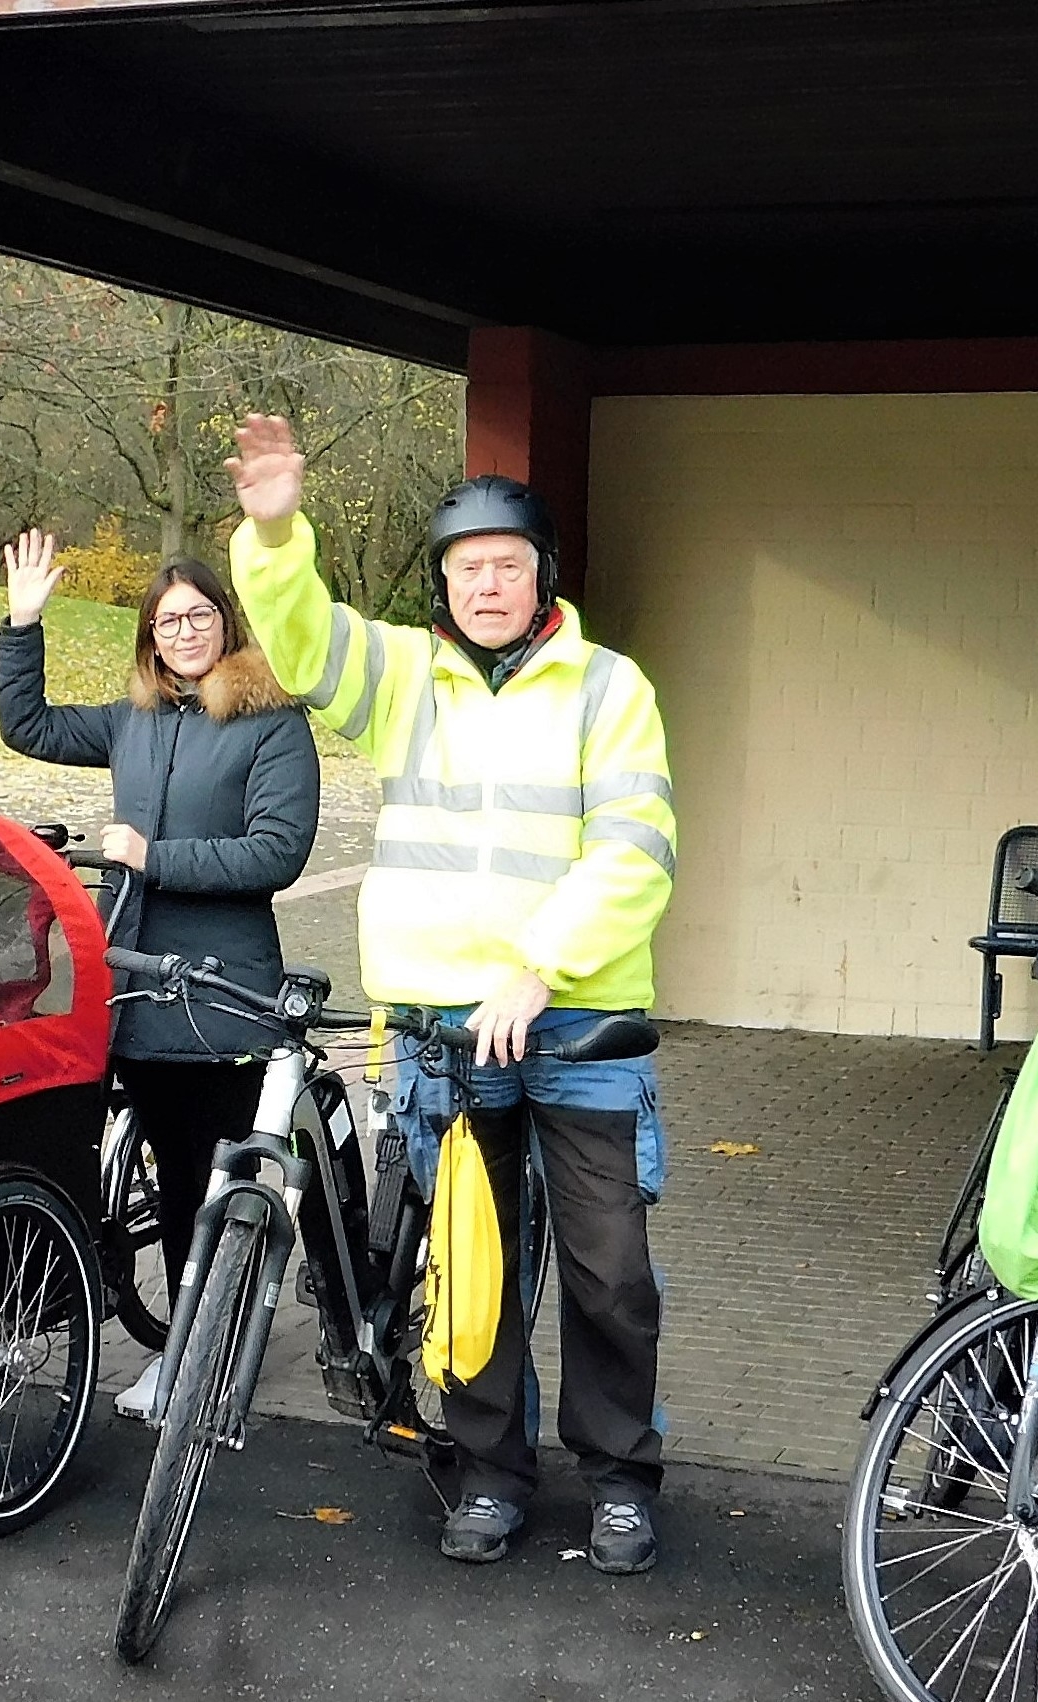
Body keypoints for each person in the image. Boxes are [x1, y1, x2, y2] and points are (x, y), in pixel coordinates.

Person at [224, 414, 677, 1574]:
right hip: (440, 1031)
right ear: (442, 583)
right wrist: (274, 530)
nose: (485, 582)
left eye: (506, 564)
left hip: (574, 1024)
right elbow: (297, 630)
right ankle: (485, 1473)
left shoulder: (607, 688)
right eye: (466, 567)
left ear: (543, 579)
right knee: (467, 1263)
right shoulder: (401, 677)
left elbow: (635, 850)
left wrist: (540, 967)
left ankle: (620, 1476)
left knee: (608, 1271)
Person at [0, 528, 320, 1416]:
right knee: (111, 1154)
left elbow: (278, 852)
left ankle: (193, 1360)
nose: (184, 631)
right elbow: (28, 726)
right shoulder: (135, 719)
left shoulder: (271, 723)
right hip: (130, 981)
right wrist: (23, 622)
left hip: (216, 994)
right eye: (168, 619)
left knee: (193, 1178)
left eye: (199, 615)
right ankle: (141, 1324)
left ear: (227, 623)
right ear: (149, 635)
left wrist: (154, 853)